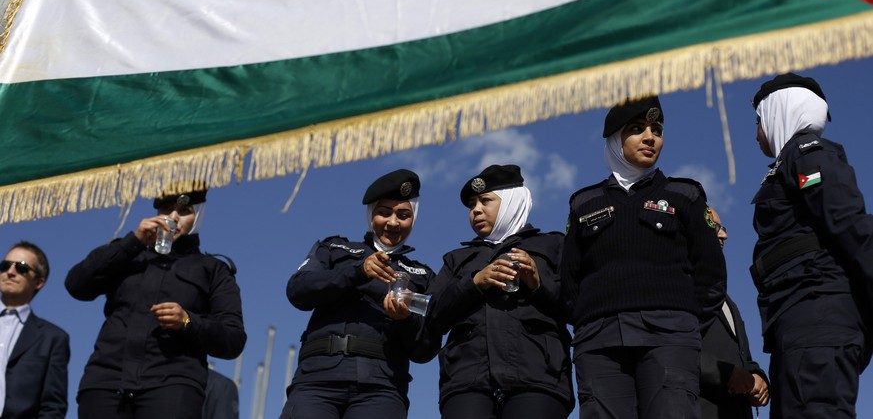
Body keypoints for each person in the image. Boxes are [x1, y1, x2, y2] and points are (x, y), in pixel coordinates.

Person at [562, 95, 727, 419]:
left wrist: (684, 323)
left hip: (670, 337)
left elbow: (711, 274)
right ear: (614, 139)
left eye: (657, 129)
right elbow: (568, 280)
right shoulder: (584, 203)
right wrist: (588, 319)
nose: (650, 137)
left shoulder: (685, 194)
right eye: (637, 129)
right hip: (599, 341)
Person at [65, 185, 246, 419]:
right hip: (106, 384)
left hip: (172, 388)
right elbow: (77, 285)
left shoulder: (213, 270)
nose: (172, 217)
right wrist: (133, 242)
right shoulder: (128, 253)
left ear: (198, 215)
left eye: (184, 211)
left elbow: (233, 339)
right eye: (166, 209)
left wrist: (188, 321)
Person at [750, 72, 873, 418]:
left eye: (759, 122)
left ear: (779, 112)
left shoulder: (806, 154)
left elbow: (849, 224)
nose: (756, 134)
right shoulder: (792, 161)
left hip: (818, 318)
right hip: (799, 322)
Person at [279, 168, 435, 419]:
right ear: (371, 215)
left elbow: (426, 348)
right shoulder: (334, 248)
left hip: (382, 387)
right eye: (384, 212)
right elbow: (297, 290)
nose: (393, 222)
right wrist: (358, 272)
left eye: (403, 215)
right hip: (317, 380)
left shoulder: (422, 275)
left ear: (413, 219)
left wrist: (404, 319)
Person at [425, 164, 573, 419]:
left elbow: (576, 306)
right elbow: (432, 315)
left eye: (485, 201)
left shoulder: (553, 245)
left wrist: (538, 282)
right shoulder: (456, 259)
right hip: (467, 382)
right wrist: (475, 283)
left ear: (511, 202)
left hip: (539, 378)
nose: (476, 210)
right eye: (472, 205)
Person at [699, 207, 769, 418]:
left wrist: (756, 376)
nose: (724, 235)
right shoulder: (673, 286)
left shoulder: (727, 300)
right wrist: (726, 374)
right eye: (715, 227)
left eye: (724, 228)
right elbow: (668, 348)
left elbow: (742, 357)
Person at [0, 241, 69, 419]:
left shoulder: (52, 339)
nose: (10, 272)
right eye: (5, 265)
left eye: (21, 268)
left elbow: (53, 406)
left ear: (38, 282)